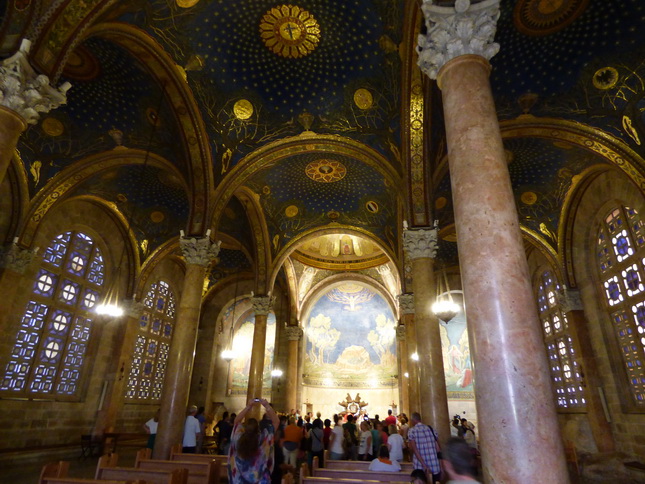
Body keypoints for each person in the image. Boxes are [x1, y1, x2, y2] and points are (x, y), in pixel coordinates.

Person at [228, 398, 279, 484]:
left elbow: (236, 421)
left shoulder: (238, 438)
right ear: (258, 429)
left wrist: (248, 406)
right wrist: (267, 405)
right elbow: (276, 422)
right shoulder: (263, 439)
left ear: (244, 428)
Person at [407, 412, 441, 483]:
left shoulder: (412, 431)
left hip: (420, 466)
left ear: (413, 420)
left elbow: (414, 449)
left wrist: (424, 465)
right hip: (434, 463)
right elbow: (438, 447)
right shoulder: (431, 429)